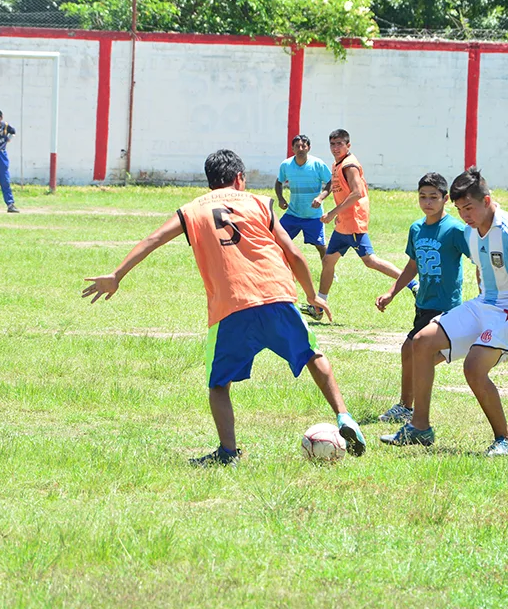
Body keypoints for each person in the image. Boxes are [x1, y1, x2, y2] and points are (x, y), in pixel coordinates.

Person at [83, 149, 366, 466]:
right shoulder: (259, 203)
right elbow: (294, 254)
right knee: (313, 355)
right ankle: (343, 416)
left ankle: (228, 453)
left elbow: (153, 240)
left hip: (231, 305)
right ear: (239, 178)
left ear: (210, 182)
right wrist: (313, 295)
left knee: (219, 384)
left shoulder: (191, 210)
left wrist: (117, 274)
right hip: (278, 295)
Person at [380, 167, 508, 456]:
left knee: (474, 368)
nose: (465, 214)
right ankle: (420, 427)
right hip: (484, 303)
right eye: (460, 208)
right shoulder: (470, 231)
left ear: (487, 201)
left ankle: (506, 440)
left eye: (469, 207)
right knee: (421, 342)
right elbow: (481, 265)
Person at [374, 172, 470, 424]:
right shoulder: (416, 229)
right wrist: (392, 292)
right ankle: (407, 405)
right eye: (423, 197)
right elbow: (412, 265)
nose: (428, 202)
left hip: (446, 305)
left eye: (434, 197)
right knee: (413, 352)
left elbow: (477, 257)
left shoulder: (455, 230)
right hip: (424, 303)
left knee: (411, 349)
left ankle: (407, 405)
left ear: (445, 199)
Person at [305, 128, 413, 320]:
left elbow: (356, 193)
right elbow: (337, 185)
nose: (335, 148)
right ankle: (319, 306)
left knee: (370, 261)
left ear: (348, 145)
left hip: (353, 223)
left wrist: (332, 213)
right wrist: (323, 198)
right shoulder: (338, 164)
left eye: (339, 144)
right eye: (332, 144)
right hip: (343, 224)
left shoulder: (349, 165)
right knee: (328, 261)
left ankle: (412, 284)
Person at [274, 134, 332, 260]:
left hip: (313, 215)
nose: (300, 149)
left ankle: (329, 271)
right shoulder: (286, 165)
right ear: (292, 149)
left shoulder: (317, 164)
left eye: (303, 146)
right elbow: (279, 182)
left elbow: (330, 182)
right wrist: (281, 198)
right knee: (277, 240)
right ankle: (280, 270)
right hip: (293, 213)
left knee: (320, 246)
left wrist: (321, 197)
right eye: (297, 146)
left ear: (308, 148)